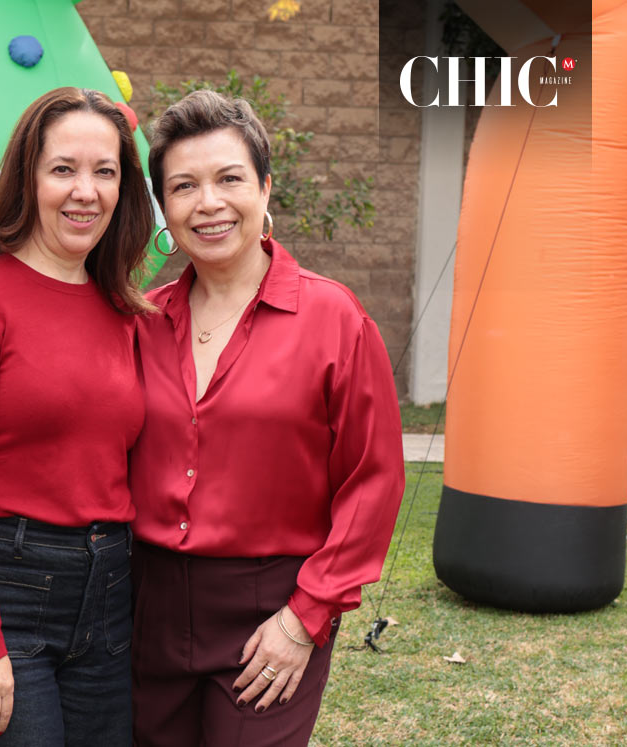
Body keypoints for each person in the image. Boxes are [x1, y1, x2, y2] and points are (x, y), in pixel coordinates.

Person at [128, 89, 405, 746]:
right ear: (164, 206)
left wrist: (305, 617)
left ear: (265, 188)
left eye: (230, 179)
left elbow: (374, 481)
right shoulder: (141, 322)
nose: (210, 202)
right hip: (147, 604)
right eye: (184, 185)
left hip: (271, 607)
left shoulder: (334, 318)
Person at [0, 87, 154, 745]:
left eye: (105, 171)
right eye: (63, 169)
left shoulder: (126, 311)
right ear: (29, 178)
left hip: (107, 596)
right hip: (6, 587)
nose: (86, 191)